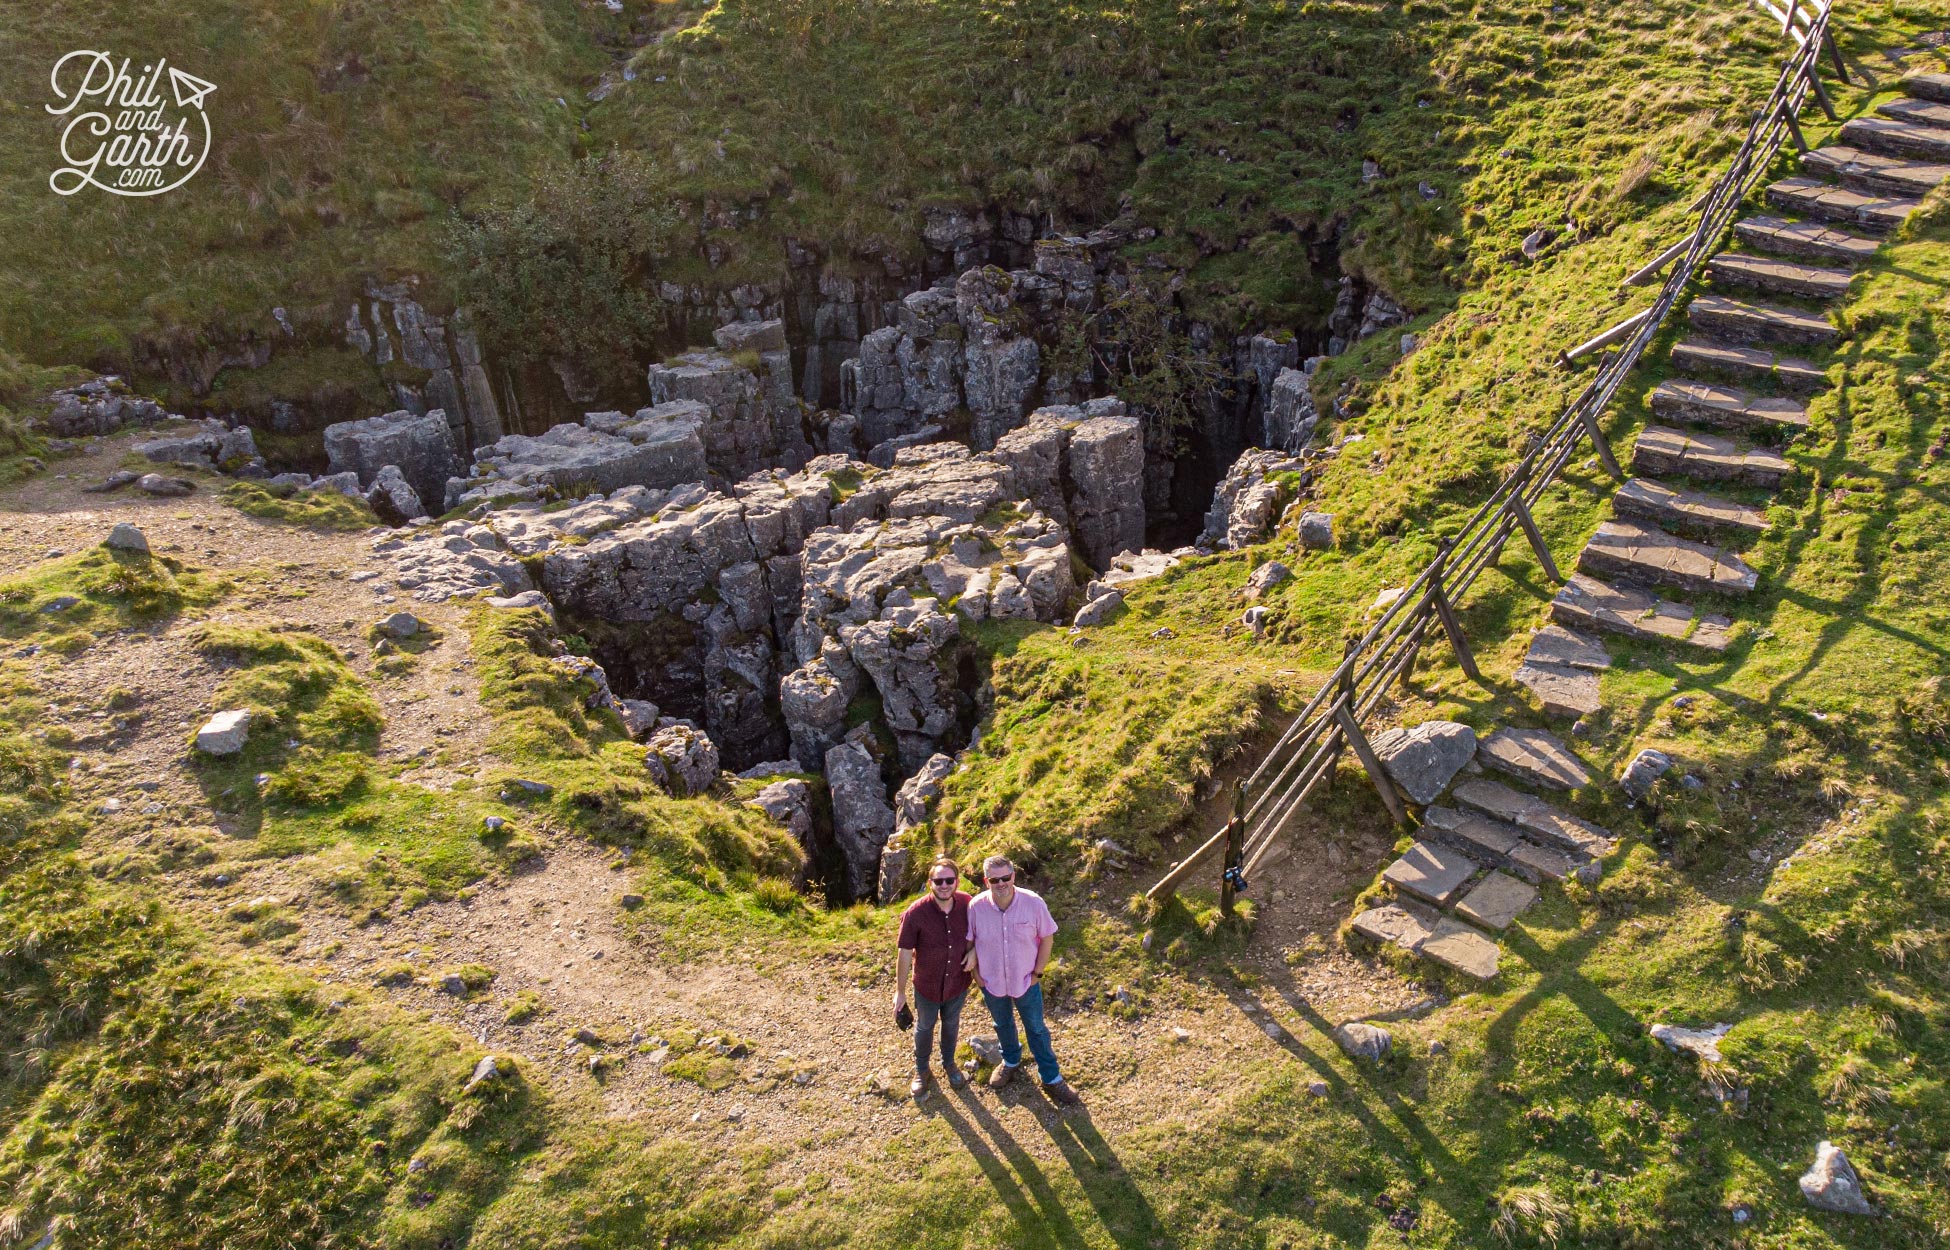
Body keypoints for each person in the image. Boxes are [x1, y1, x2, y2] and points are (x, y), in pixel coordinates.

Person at [964, 854, 1080, 1106]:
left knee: (1037, 1029)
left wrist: (1038, 973)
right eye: (995, 879)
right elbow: (970, 942)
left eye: (1006, 877)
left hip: (1026, 981)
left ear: (1013, 876)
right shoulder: (976, 907)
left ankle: (1051, 1077)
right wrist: (977, 977)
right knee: (1002, 1024)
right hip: (992, 982)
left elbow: (1048, 938)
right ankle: (1011, 1061)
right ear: (986, 881)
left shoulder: (1033, 903)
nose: (1001, 883)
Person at [894, 856, 973, 1097]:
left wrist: (975, 953)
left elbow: (982, 933)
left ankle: (949, 1063)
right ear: (930, 883)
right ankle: (922, 1070)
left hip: (957, 983)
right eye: (939, 881)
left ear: (957, 881)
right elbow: (905, 952)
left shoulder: (968, 904)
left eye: (949, 880)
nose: (944, 885)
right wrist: (900, 992)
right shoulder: (915, 913)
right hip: (926, 985)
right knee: (925, 1026)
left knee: (951, 1023)